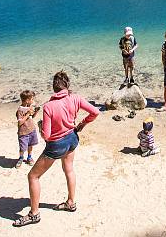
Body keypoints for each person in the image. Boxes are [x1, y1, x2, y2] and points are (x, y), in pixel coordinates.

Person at [13, 71, 100, 228]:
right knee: (69, 170)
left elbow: (46, 136)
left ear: (54, 87)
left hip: (56, 145)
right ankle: (71, 203)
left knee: (33, 176)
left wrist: (40, 127)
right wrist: (83, 123)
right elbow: (95, 112)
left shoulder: (48, 106)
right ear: (67, 85)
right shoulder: (76, 98)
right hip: (73, 139)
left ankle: (34, 214)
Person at [15, 90, 40, 168]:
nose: (33, 101)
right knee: (23, 147)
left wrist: (35, 112)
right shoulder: (20, 110)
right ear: (27, 100)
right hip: (23, 132)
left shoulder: (29, 108)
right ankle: (21, 158)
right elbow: (20, 122)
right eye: (32, 99)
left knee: (30, 145)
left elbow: (32, 117)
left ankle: (29, 157)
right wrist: (28, 113)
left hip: (31, 129)